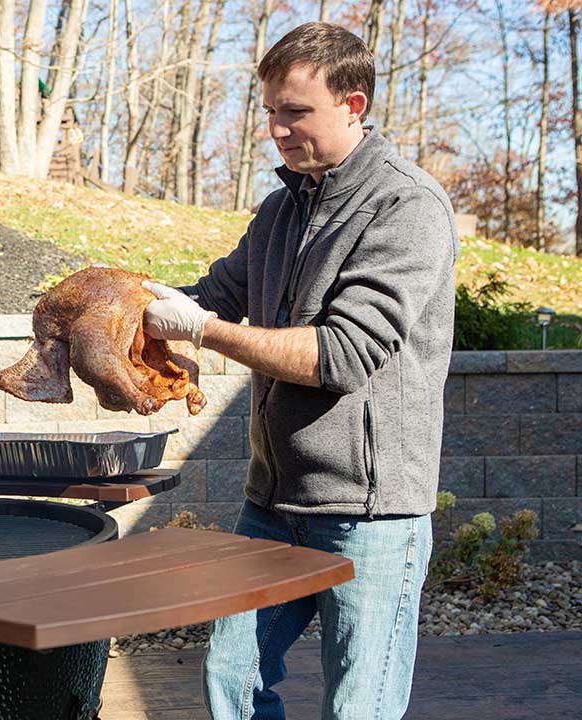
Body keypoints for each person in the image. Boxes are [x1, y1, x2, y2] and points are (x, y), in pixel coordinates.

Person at [140, 22, 459, 720]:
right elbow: (214, 294)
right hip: (274, 502)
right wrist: (120, 308)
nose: (278, 130)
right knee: (232, 678)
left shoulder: (407, 207)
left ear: (354, 105)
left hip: (370, 514)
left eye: (296, 111)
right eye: (271, 112)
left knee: (359, 707)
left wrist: (205, 332)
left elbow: (340, 355)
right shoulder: (283, 208)